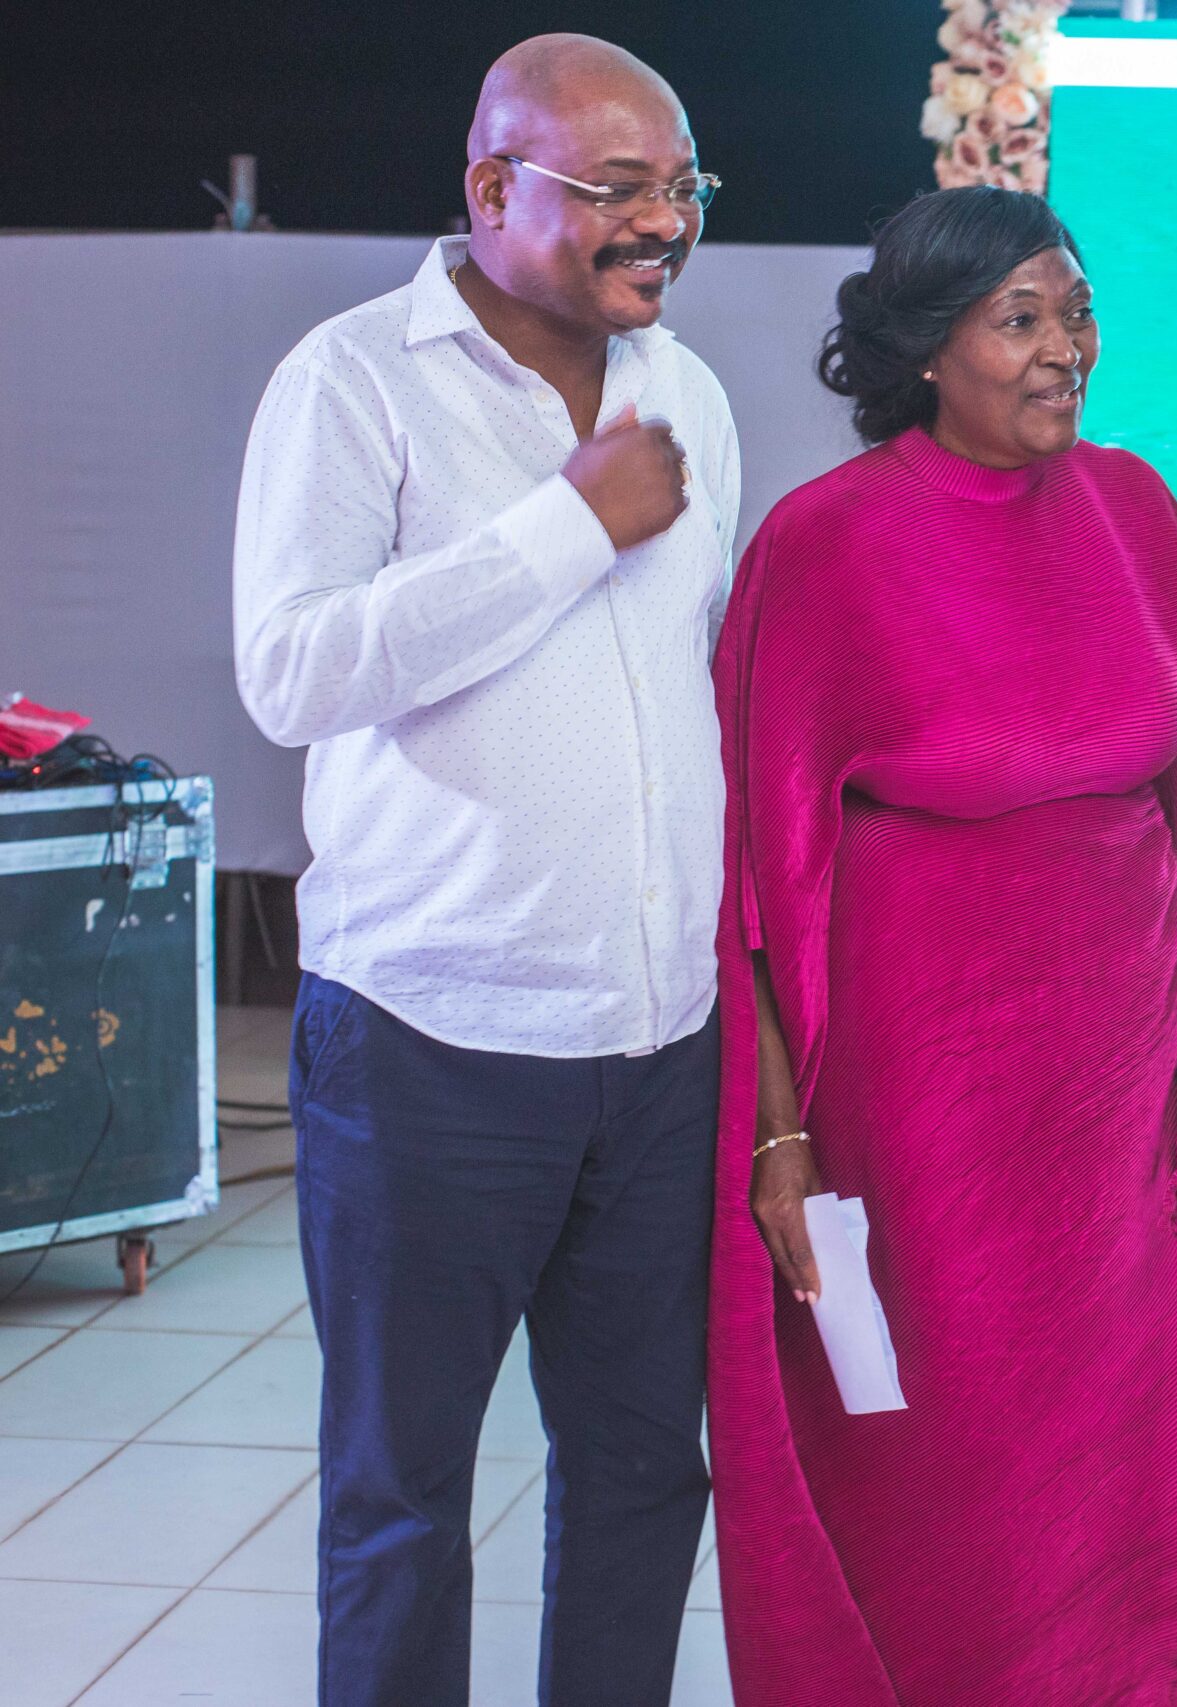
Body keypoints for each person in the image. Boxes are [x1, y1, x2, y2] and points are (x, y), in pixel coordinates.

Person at [705, 186, 1177, 1707]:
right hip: (931, 1123)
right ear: (928, 349)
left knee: (1151, 1430)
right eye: (1022, 320)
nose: (1068, 350)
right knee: (954, 1474)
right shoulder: (827, 545)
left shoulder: (1136, 509)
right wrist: (779, 1137)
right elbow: (756, 884)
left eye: (1079, 312)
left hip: (1141, 1103)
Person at [231, 36, 736, 1707]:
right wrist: (564, 527)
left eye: (684, 187)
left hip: (658, 1048)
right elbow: (292, 674)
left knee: (645, 1473)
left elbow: (693, 677)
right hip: (427, 1044)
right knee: (402, 1499)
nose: (664, 223)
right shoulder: (353, 380)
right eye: (619, 189)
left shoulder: (689, 391)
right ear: (492, 187)